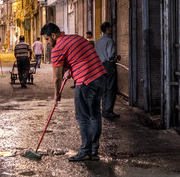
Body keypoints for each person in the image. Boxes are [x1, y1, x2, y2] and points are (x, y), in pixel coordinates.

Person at [41, 23, 106, 161]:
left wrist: (57, 94)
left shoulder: (57, 48)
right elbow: (81, 57)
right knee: (94, 115)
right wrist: (71, 70)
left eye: (47, 39)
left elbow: (56, 77)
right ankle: (94, 150)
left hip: (86, 81)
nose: (47, 42)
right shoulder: (76, 38)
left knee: (83, 117)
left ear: (53, 35)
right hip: (100, 77)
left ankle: (86, 151)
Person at [95, 22, 121, 119]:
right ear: (107, 29)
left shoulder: (99, 41)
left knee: (104, 88)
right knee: (111, 88)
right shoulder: (109, 40)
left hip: (100, 66)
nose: (111, 29)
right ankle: (108, 111)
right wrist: (116, 58)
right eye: (110, 28)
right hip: (109, 66)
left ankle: (104, 110)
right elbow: (110, 56)